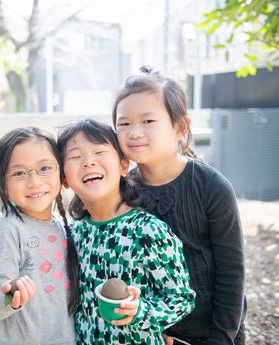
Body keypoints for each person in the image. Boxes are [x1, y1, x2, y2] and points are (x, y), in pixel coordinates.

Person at [113, 66, 246, 345]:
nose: (134, 132)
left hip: (212, 332)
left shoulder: (211, 187)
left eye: (148, 121)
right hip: (150, 333)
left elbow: (232, 272)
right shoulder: (121, 191)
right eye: (124, 124)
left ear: (180, 127)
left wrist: (221, 337)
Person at [56, 119, 195, 345]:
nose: (88, 162)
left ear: (123, 165)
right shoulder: (75, 232)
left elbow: (181, 299)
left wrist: (140, 311)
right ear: (64, 179)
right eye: (75, 157)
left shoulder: (148, 230)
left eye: (99, 152)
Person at [0, 127, 78, 345]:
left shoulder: (62, 226)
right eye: (19, 173)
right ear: (3, 183)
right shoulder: (8, 228)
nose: (34, 181)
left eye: (44, 168)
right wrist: (12, 295)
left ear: (61, 173)